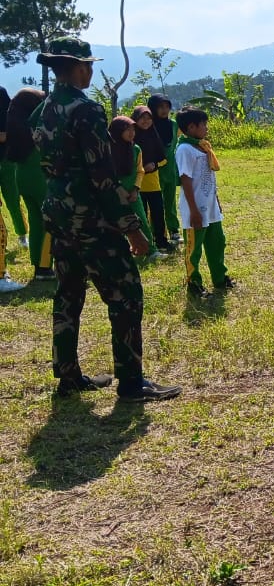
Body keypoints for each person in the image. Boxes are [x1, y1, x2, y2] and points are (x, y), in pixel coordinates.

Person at [31, 36, 181, 401]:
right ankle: (131, 382)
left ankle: (68, 376)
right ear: (76, 67)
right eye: (88, 65)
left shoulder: (45, 108)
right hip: (90, 217)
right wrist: (132, 228)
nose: (92, 71)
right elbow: (101, 175)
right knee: (126, 293)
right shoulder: (86, 110)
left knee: (68, 294)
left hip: (58, 212)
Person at [175, 106, 233, 299]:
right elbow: (185, 180)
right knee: (194, 249)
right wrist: (193, 211)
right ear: (191, 127)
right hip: (196, 209)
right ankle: (194, 283)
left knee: (217, 243)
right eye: (203, 124)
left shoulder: (201, 146)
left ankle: (220, 277)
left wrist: (215, 202)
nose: (206, 128)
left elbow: (209, 178)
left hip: (210, 207)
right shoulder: (184, 149)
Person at [6, 88, 54, 279]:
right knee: (50, 222)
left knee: (36, 222)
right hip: (39, 177)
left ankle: (38, 266)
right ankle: (45, 266)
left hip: (22, 177)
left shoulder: (16, 130)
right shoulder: (34, 130)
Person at [108, 115, 163, 261]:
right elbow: (107, 173)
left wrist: (135, 189)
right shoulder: (107, 149)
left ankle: (151, 251)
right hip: (113, 193)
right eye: (127, 129)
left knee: (141, 221)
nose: (131, 132)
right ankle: (121, 254)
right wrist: (119, 189)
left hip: (133, 193)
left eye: (133, 129)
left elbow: (140, 171)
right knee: (115, 224)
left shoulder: (136, 149)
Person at [130, 105, 175, 253]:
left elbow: (163, 159)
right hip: (137, 184)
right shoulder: (130, 138)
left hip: (153, 182)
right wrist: (142, 167)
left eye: (149, 118)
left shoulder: (153, 135)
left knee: (157, 213)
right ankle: (144, 245)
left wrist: (154, 165)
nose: (146, 121)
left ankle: (161, 241)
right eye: (142, 118)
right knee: (140, 216)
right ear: (135, 119)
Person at [149, 93, 182, 245]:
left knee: (170, 201)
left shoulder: (174, 124)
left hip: (170, 168)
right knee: (156, 204)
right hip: (154, 170)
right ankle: (157, 233)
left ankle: (174, 231)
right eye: (160, 107)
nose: (164, 110)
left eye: (167, 107)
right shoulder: (149, 125)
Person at [0, 86, 30, 250]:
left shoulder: (1, 93)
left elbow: (5, 134)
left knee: (12, 198)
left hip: (5, 158)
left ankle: (21, 235)